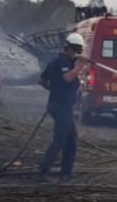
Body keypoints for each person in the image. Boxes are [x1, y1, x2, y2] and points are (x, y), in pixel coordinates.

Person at [37, 33, 88, 182]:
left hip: (58, 105)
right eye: (78, 50)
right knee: (59, 140)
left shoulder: (54, 62)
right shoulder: (64, 62)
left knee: (71, 139)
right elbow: (67, 78)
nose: (79, 53)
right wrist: (81, 65)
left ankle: (66, 173)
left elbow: (41, 80)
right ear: (72, 48)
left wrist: (54, 89)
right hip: (61, 107)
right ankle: (44, 170)